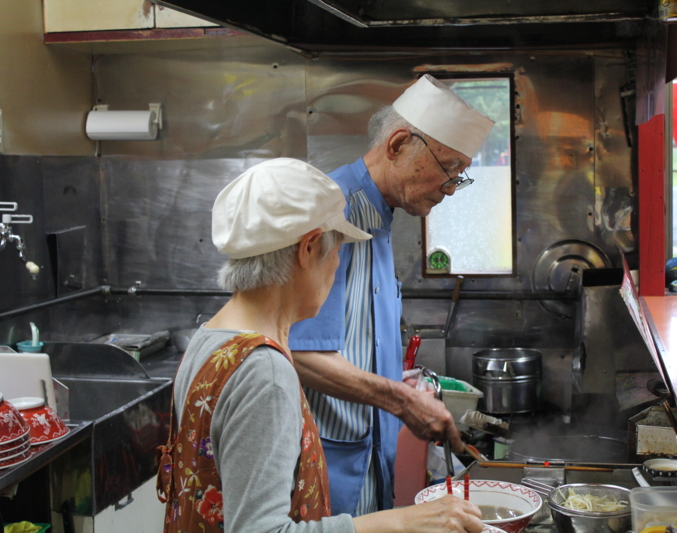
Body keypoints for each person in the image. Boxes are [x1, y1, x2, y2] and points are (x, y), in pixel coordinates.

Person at [157, 158, 483, 533]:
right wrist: (405, 520)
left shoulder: (209, 340)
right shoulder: (265, 372)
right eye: (338, 249)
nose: (337, 263)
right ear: (309, 248)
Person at [289, 75, 495, 515]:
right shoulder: (331, 211)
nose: (451, 189)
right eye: (449, 170)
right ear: (399, 144)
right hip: (327, 466)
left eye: (461, 175)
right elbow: (298, 353)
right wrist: (402, 401)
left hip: (369, 459)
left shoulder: (381, 216)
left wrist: (405, 385)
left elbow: (353, 341)